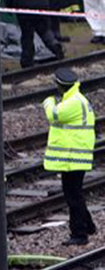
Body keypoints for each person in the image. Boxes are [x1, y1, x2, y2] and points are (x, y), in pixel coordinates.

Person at [42, 67, 97, 246]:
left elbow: (53, 114)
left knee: (73, 196)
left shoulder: (73, 102)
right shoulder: (77, 99)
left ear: (60, 86)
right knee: (75, 194)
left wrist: (48, 101)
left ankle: (79, 234)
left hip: (74, 158)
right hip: (74, 157)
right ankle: (88, 225)